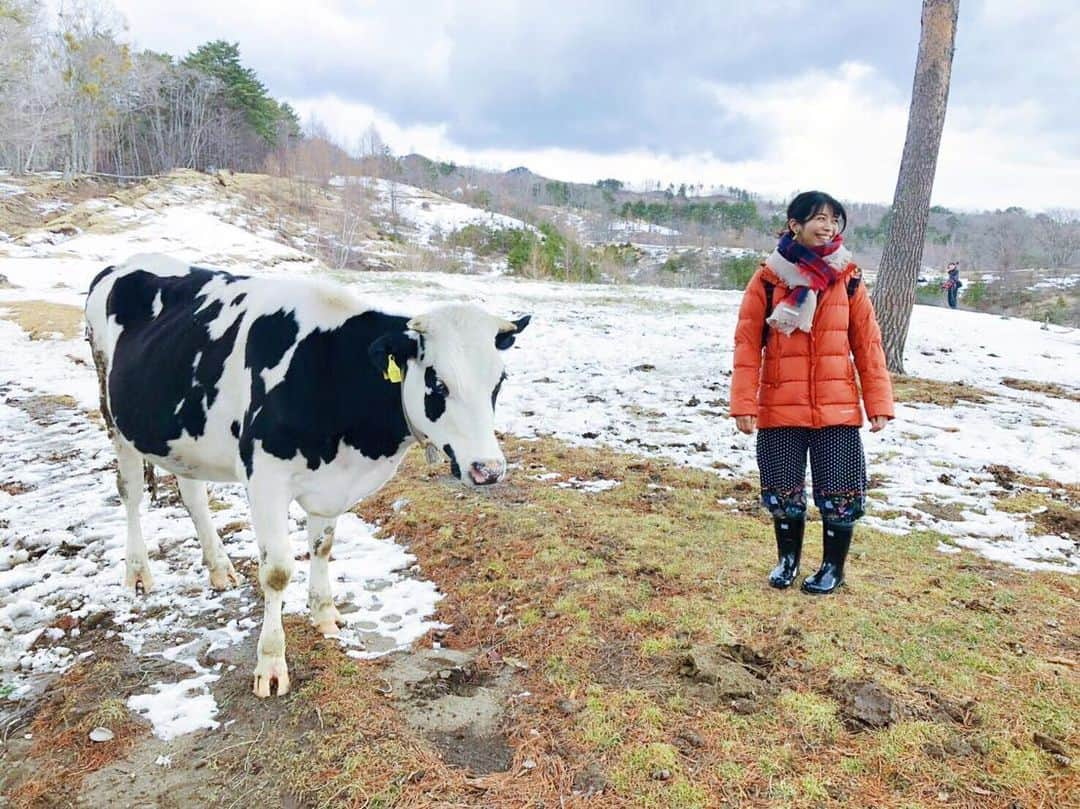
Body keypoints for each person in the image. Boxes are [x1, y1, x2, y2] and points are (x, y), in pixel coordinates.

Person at [730, 191, 894, 594]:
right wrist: (743, 403)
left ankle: (831, 568)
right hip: (780, 404)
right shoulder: (768, 278)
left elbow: (867, 344)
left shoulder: (848, 278)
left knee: (839, 490)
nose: (828, 226)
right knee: (783, 487)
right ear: (794, 225)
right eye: (819, 218)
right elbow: (747, 345)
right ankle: (788, 560)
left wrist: (878, 403)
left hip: (836, 407)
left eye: (834, 220)